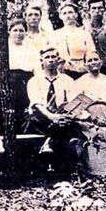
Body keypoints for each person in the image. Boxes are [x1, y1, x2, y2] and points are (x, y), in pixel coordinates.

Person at [26, 47, 84, 177]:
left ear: (58, 60)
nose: (51, 60)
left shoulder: (67, 80)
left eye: (53, 57)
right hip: (41, 116)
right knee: (60, 129)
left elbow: (73, 102)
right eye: (47, 57)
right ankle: (62, 172)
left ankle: (50, 144)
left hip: (61, 116)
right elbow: (37, 104)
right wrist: (52, 117)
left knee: (65, 126)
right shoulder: (34, 81)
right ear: (42, 61)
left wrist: (65, 116)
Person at [0, 18, 40, 132]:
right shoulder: (2, 48)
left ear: (26, 32)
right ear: (9, 32)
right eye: (15, 30)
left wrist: (38, 88)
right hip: (7, 83)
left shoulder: (31, 48)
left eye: (21, 31)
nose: (18, 33)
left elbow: (38, 70)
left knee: (24, 113)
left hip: (26, 84)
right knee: (7, 114)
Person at [51, 1, 96, 80]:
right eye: (64, 13)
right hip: (62, 72)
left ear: (76, 15)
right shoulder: (55, 35)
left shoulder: (85, 34)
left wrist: (86, 67)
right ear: (60, 16)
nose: (68, 15)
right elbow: (52, 54)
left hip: (82, 71)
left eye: (70, 12)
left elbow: (91, 53)